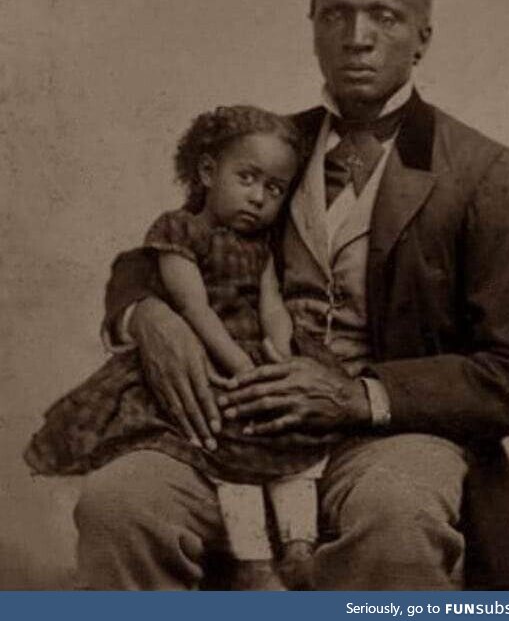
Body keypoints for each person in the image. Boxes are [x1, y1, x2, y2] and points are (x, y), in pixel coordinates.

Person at [71, 0, 509, 590]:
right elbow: (155, 254)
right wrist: (147, 314)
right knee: (119, 504)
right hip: (237, 423)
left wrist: (361, 395)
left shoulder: (483, 170)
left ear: (422, 38)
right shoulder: (267, 147)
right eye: (336, 14)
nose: (358, 36)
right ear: (314, 32)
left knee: (395, 518)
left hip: (394, 436)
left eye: (384, 17)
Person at [27, 104, 357, 590]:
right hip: (218, 357)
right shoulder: (183, 230)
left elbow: (272, 306)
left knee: (292, 449)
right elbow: (190, 304)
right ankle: (254, 562)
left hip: (285, 365)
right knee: (226, 451)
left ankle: (298, 546)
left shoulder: (259, 243)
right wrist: (243, 365)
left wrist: (282, 355)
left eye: (273, 190)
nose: (259, 198)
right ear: (206, 171)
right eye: (248, 179)